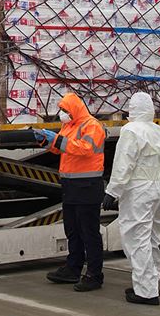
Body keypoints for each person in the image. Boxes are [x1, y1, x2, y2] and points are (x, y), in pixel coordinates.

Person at [102, 92, 160, 305]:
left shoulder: (131, 131)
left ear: (132, 109)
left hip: (139, 189)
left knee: (137, 239)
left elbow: (125, 163)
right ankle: (151, 281)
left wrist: (113, 191)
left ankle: (146, 291)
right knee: (152, 237)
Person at [34, 93, 107, 292]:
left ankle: (94, 274)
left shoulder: (91, 126)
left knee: (89, 232)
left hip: (87, 186)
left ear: (74, 109)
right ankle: (73, 268)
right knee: (72, 230)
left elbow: (84, 149)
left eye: (65, 110)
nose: (62, 114)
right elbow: (61, 149)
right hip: (71, 185)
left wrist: (56, 140)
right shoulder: (70, 126)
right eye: (62, 110)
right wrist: (46, 141)